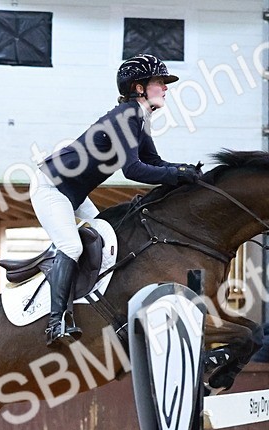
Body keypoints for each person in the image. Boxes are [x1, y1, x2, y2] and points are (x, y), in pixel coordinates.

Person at [33, 53, 202, 346]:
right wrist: (176, 175)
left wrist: (183, 171)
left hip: (73, 193)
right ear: (139, 87)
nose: (165, 88)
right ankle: (55, 322)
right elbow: (133, 169)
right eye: (160, 82)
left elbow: (154, 162)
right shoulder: (128, 116)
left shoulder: (138, 117)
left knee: (108, 238)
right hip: (51, 187)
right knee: (72, 246)